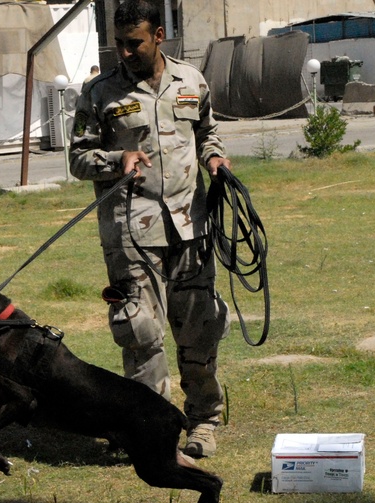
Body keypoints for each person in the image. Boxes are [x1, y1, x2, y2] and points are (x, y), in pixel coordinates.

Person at [68, 0, 231, 458]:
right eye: (118, 44)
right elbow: (78, 158)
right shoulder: (99, 93)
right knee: (140, 333)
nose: (125, 52)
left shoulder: (191, 81)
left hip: (190, 226)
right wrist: (115, 159)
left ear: (158, 36)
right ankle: (149, 429)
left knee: (199, 329)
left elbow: (206, 131)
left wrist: (213, 158)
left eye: (134, 43)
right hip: (131, 232)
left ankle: (203, 420)